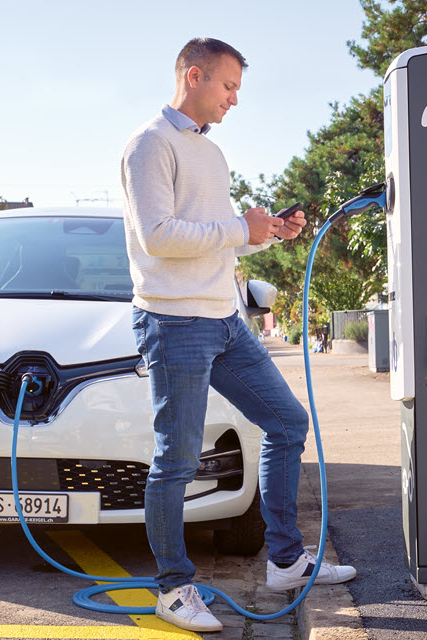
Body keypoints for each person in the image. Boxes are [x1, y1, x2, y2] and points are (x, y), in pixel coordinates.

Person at [121, 37, 356, 633]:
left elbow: (217, 237)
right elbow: (158, 236)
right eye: (228, 86)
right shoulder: (149, 144)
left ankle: (285, 563)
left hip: (224, 319)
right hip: (174, 321)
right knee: (177, 460)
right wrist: (237, 227)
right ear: (193, 76)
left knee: (287, 422)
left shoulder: (212, 153)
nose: (234, 99)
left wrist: (266, 231)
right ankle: (174, 589)